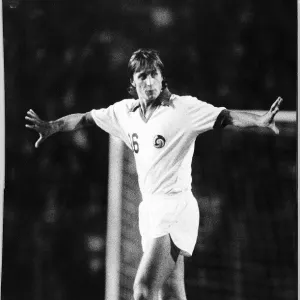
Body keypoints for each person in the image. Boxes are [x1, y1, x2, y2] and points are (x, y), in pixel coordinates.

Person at [25, 48, 283, 300]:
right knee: (171, 293)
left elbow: (225, 116)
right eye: (142, 76)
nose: (149, 82)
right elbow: (85, 119)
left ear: (162, 77)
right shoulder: (125, 113)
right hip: (150, 210)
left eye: (154, 74)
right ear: (133, 82)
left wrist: (260, 120)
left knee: (142, 289)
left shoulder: (182, 109)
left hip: (175, 208)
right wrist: (53, 126)